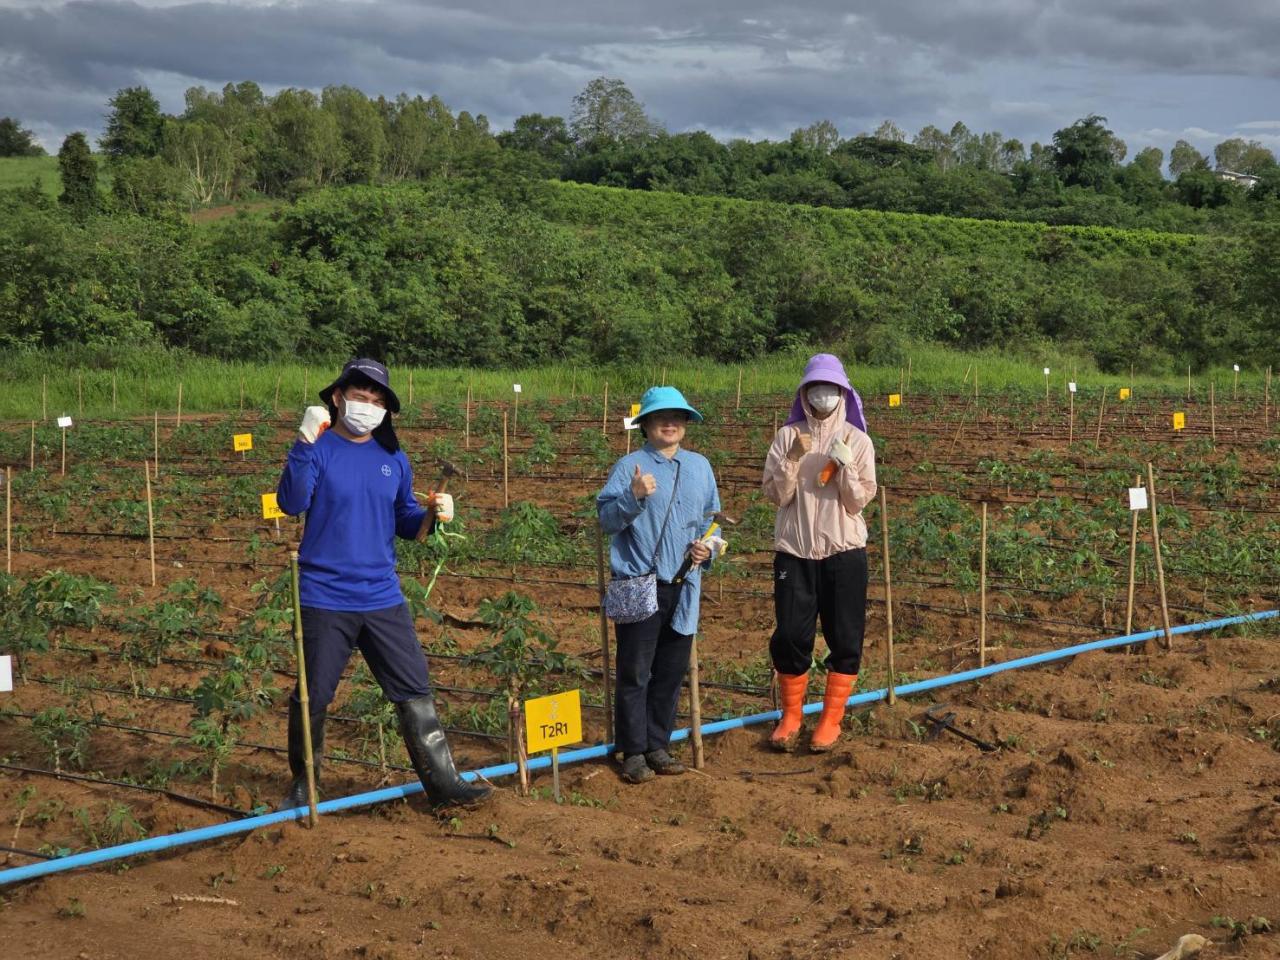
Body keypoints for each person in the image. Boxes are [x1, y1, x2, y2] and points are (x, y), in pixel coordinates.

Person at [275, 357, 490, 811]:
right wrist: (301, 441)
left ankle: (444, 785)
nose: (367, 407)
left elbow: (405, 523)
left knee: (413, 687)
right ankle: (304, 782)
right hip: (325, 595)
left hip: (381, 595)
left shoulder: (393, 458)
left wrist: (433, 514)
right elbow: (291, 502)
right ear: (337, 398)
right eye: (359, 397)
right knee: (313, 693)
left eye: (377, 401)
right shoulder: (318, 448)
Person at [597, 386, 724, 784]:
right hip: (640, 583)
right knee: (636, 671)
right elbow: (606, 521)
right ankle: (632, 751)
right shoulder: (629, 466)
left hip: (685, 585)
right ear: (646, 425)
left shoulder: (701, 467)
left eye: (677, 417)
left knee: (670, 670)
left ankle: (658, 745)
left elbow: (712, 521)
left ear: (686, 424)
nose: (670, 423)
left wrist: (711, 548)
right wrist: (633, 497)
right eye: (660, 417)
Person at [761, 354, 877, 752]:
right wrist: (793, 458)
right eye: (815, 387)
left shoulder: (857, 441)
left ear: (842, 392)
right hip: (794, 550)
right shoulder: (785, 436)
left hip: (843, 550)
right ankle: (792, 715)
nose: (822, 394)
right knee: (791, 634)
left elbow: (857, 502)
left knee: (845, 636)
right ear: (805, 393)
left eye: (830, 388)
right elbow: (778, 495)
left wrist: (844, 469)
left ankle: (830, 719)